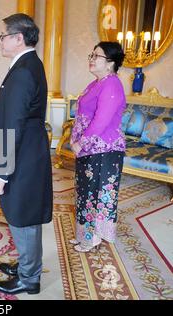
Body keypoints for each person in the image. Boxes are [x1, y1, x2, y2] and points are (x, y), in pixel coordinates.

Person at [0, 13, 53, 295]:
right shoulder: (27, 64)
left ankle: (29, 277)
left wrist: (1, 173)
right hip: (26, 151)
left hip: (21, 157)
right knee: (23, 213)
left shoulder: (25, 70)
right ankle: (27, 265)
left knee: (22, 215)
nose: (1, 41)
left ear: (18, 38)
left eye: (4, 36)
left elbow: (11, 125)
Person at [70, 42, 126, 252]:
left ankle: (91, 239)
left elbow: (101, 121)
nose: (92, 59)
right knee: (85, 194)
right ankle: (84, 236)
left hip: (104, 151)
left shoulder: (112, 84)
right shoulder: (96, 83)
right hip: (90, 150)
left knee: (95, 196)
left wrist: (80, 142)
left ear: (110, 62)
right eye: (91, 55)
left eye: (97, 56)